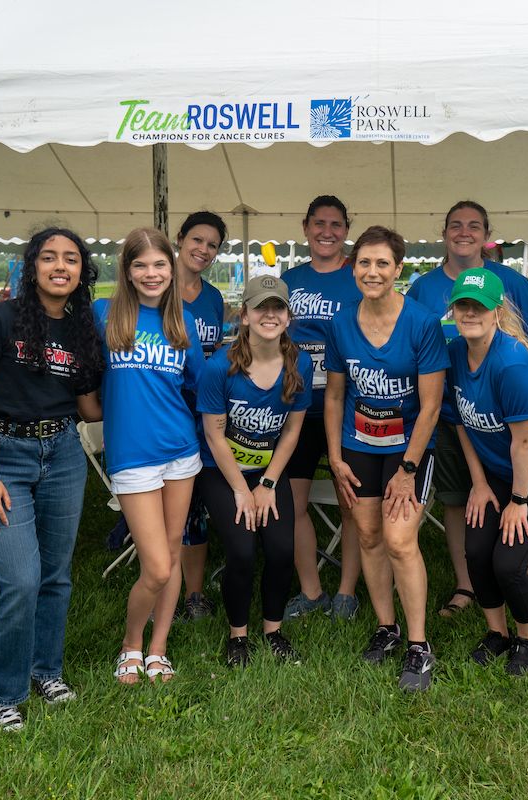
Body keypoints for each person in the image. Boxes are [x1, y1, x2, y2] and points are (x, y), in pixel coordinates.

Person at [0, 227, 104, 731]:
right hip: (2, 458)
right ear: (32, 266)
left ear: (82, 271)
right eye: (49, 257)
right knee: (20, 579)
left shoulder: (82, 330)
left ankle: (47, 671)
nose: (60, 266)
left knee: (56, 576)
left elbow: (87, 407)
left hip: (62, 452)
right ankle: (5, 692)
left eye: (71, 259)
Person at [406, 200, 528, 621]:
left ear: (487, 232)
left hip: (502, 416)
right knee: (457, 499)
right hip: (448, 411)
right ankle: (466, 584)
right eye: (455, 225)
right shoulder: (422, 287)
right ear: (444, 232)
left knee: (512, 498)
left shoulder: (511, 283)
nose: (463, 232)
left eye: (473, 225)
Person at [325, 225, 448, 692]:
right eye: (364, 262)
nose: (372, 271)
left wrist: (408, 470)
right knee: (369, 536)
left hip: (407, 450)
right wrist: (336, 458)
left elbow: (431, 406)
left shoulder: (421, 323)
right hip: (358, 447)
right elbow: (336, 396)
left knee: (399, 540)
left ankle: (419, 645)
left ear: (398, 269)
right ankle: (386, 627)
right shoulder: (341, 323)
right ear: (352, 267)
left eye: (382, 263)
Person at [445, 268, 528, 675]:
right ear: (453, 309)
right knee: (476, 551)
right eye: (463, 305)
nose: (470, 313)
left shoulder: (512, 364)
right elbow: (460, 423)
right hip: (499, 473)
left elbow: (526, 442)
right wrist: (480, 484)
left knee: (509, 562)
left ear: (497, 311)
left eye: (479, 306)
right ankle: (497, 633)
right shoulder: (455, 353)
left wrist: (518, 502)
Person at [95, 227, 205, 685]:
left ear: (172, 267)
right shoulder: (105, 315)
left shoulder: (184, 323)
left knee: (174, 555)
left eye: (160, 264)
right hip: (132, 456)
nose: (151, 273)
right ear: (127, 270)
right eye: (140, 265)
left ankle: (157, 649)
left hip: (180, 451)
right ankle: (131, 642)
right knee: (156, 565)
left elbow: (199, 386)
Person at [196, 275, 313, 666]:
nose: (269, 314)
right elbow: (214, 434)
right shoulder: (219, 368)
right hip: (222, 471)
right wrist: (242, 492)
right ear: (243, 314)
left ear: (287, 315)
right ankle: (238, 636)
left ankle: (273, 630)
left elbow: (293, 430)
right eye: (260, 307)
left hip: (267, 472)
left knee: (281, 549)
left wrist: (266, 484)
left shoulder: (301, 363)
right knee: (242, 551)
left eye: (277, 307)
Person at [281, 195, 364, 620]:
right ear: (306, 227)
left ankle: (347, 592)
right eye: (319, 223)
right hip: (296, 408)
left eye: (335, 224)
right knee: (292, 504)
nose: (327, 231)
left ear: (346, 229)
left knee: (350, 503)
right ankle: (312, 592)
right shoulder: (289, 279)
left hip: (345, 407)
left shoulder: (358, 278)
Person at [174, 210, 229, 622]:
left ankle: (194, 594)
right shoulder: (155, 287)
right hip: (164, 409)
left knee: (194, 504)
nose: (203, 250)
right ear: (180, 239)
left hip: (203, 410)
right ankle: (166, 588)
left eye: (212, 245)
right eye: (197, 240)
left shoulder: (212, 299)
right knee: (166, 503)